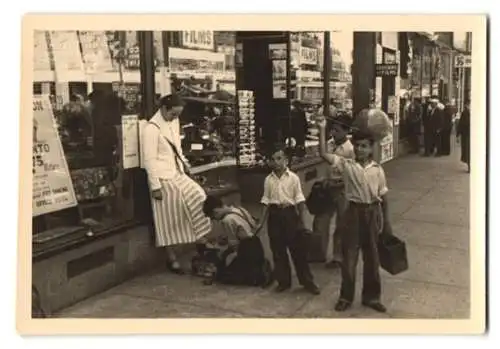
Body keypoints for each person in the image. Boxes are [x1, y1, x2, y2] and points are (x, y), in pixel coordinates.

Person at [317, 115, 393, 313]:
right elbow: (323, 153)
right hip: (353, 213)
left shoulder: (377, 170)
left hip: (372, 213)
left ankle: (372, 297)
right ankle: (346, 297)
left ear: (371, 149)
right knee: (349, 258)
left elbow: (383, 197)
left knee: (372, 258)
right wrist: (322, 129)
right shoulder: (346, 165)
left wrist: (386, 223)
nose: (360, 149)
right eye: (357, 146)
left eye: (364, 146)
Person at [142, 93, 212, 274]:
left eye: (178, 114)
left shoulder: (173, 122)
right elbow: (149, 160)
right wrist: (155, 186)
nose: (176, 118)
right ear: (164, 109)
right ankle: (171, 256)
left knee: (199, 196)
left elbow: (178, 149)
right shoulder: (151, 128)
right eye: (173, 113)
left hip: (177, 171)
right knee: (168, 215)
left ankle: (201, 241)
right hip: (162, 177)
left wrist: (187, 167)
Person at [255, 145, 320, 295]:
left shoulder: (293, 178)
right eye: (273, 159)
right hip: (274, 216)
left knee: (298, 251)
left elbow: (299, 200)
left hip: (290, 215)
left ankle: (307, 281)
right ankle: (283, 281)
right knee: (278, 250)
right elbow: (265, 201)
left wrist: (304, 223)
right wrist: (261, 222)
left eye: (279, 158)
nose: (276, 162)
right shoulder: (268, 180)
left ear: (286, 160)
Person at [201, 195, 272, 287]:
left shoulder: (227, 220)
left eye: (213, 217)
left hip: (246, 249)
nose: (216, 220)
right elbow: (253, 225)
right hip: (256, 243)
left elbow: (234, 244)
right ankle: (259, 268)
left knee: (227, 277)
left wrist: (222, 252)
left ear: (215, 212)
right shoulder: (239, 209)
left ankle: (257, 274)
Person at [312, 124, 355, 268]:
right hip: (327, 188)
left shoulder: (350, 150)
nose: (333, 133)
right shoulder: (329, 144)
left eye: (337, 130)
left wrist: (322, 129)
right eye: (332, 130)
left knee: (341, 224)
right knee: (321, 221)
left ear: (346, 131)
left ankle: (338, 256)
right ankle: (319, 253)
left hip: (342, 189)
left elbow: (350, 174)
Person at [456, 100, 471, 173]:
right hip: (466, 135)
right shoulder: (465, 113)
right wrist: (458, 135)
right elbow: (461, 124)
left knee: (469, 151)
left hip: (470, 135)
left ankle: (470, 166)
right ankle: (469, 166)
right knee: (467, 151)